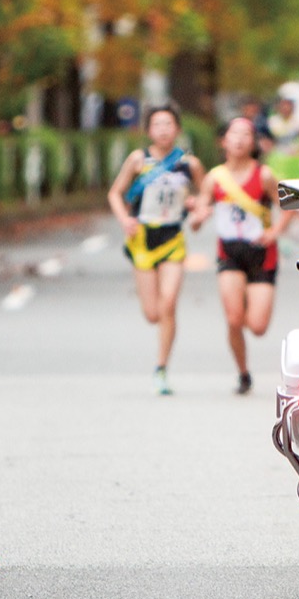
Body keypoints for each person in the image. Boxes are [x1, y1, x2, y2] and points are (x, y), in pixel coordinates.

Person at [107, 105, 206, 395]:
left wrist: (197, 210)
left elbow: (204, 195)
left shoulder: (189, 164)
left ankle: (161, 368)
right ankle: (161, 361)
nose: (163, 129)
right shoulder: (138, 160)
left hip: (173, 240)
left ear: (177, 129)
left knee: (169, 304)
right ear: (149, 130)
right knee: (152, 313)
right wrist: (124, 219)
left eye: (168, 124)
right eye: (157, 124)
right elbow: (115, 192)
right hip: (142, 241)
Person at [193, 117, 294, 395]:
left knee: (258, 327)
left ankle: (250, 295)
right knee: (234, 319)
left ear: (254, 142)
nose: (239, 139)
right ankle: (243, 372)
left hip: (262, 254)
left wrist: (274, 232)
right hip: (230, 255)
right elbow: (198, 216)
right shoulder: (214, 178)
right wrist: (198, 218)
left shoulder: (263, 175)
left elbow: (288, 206)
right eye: (233, 133)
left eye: (246, 134)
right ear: (223, 140)